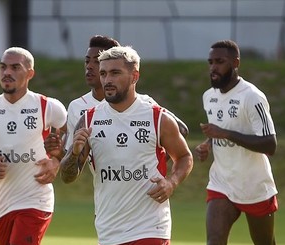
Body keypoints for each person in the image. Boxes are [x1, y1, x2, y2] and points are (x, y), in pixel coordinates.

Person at [59, 45, 193, 245]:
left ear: (134, 76)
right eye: (103, 74)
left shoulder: (158, 118)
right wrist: (74, 152)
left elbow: (184, 157)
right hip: (108, 230)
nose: (107, 80)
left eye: (115, 73)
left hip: (150, 228)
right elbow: (67, 177)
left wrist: (171, 182)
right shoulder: (89, 119)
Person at [0, 47, 67, 245]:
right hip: (2, 203)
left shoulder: (47, 106)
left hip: (36, 199)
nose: (7, 72)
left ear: (30, 73)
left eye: (15, 67)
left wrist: (56, 161)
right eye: (3, 67)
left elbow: (73, 135)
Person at [44, 35, 188, 160]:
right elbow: (73, 158)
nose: (89, 66)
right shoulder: (77, 107)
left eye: (96, 61)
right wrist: (57, 153)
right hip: (103, 187)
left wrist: (154, 162)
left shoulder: (144, 103)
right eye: (87, 61)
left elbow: (182, 130)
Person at [194, 40, 278, 245]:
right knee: (214, 244)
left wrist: (225, 134)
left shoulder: (252, 97)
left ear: (235, 63)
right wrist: (208, 143)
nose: (213, 67)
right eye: (210, 62)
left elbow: (270, 144)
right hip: (221, 183)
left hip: (253, 185)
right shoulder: (209, 97)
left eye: (220, 62)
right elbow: (219, 130)